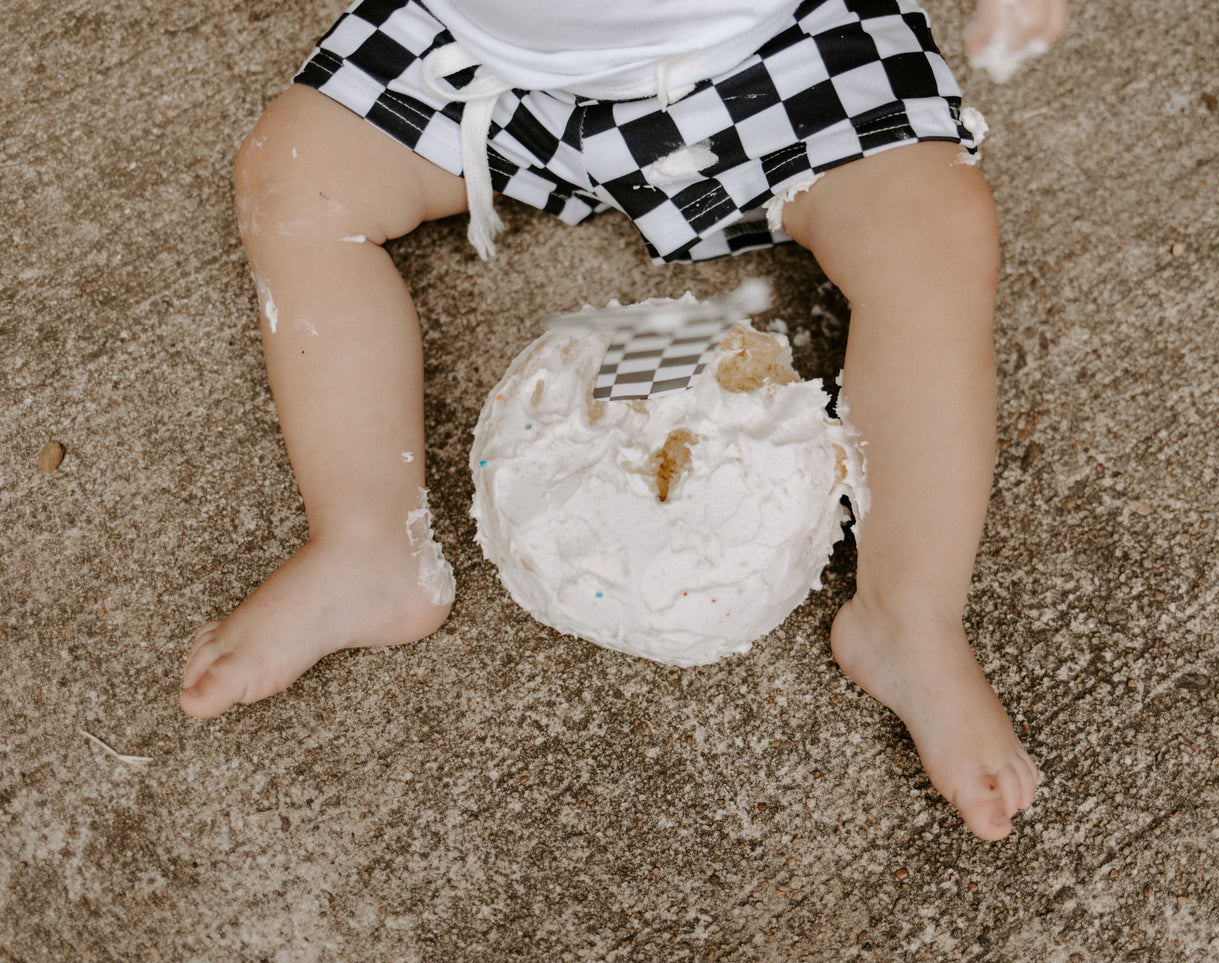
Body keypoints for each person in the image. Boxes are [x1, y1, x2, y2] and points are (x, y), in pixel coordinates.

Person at [181, 0, 1063, 841]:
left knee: (933, 236)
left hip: (770, 48)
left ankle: (908, 613)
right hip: (488, 53)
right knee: (292, 182)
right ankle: (367, 543)